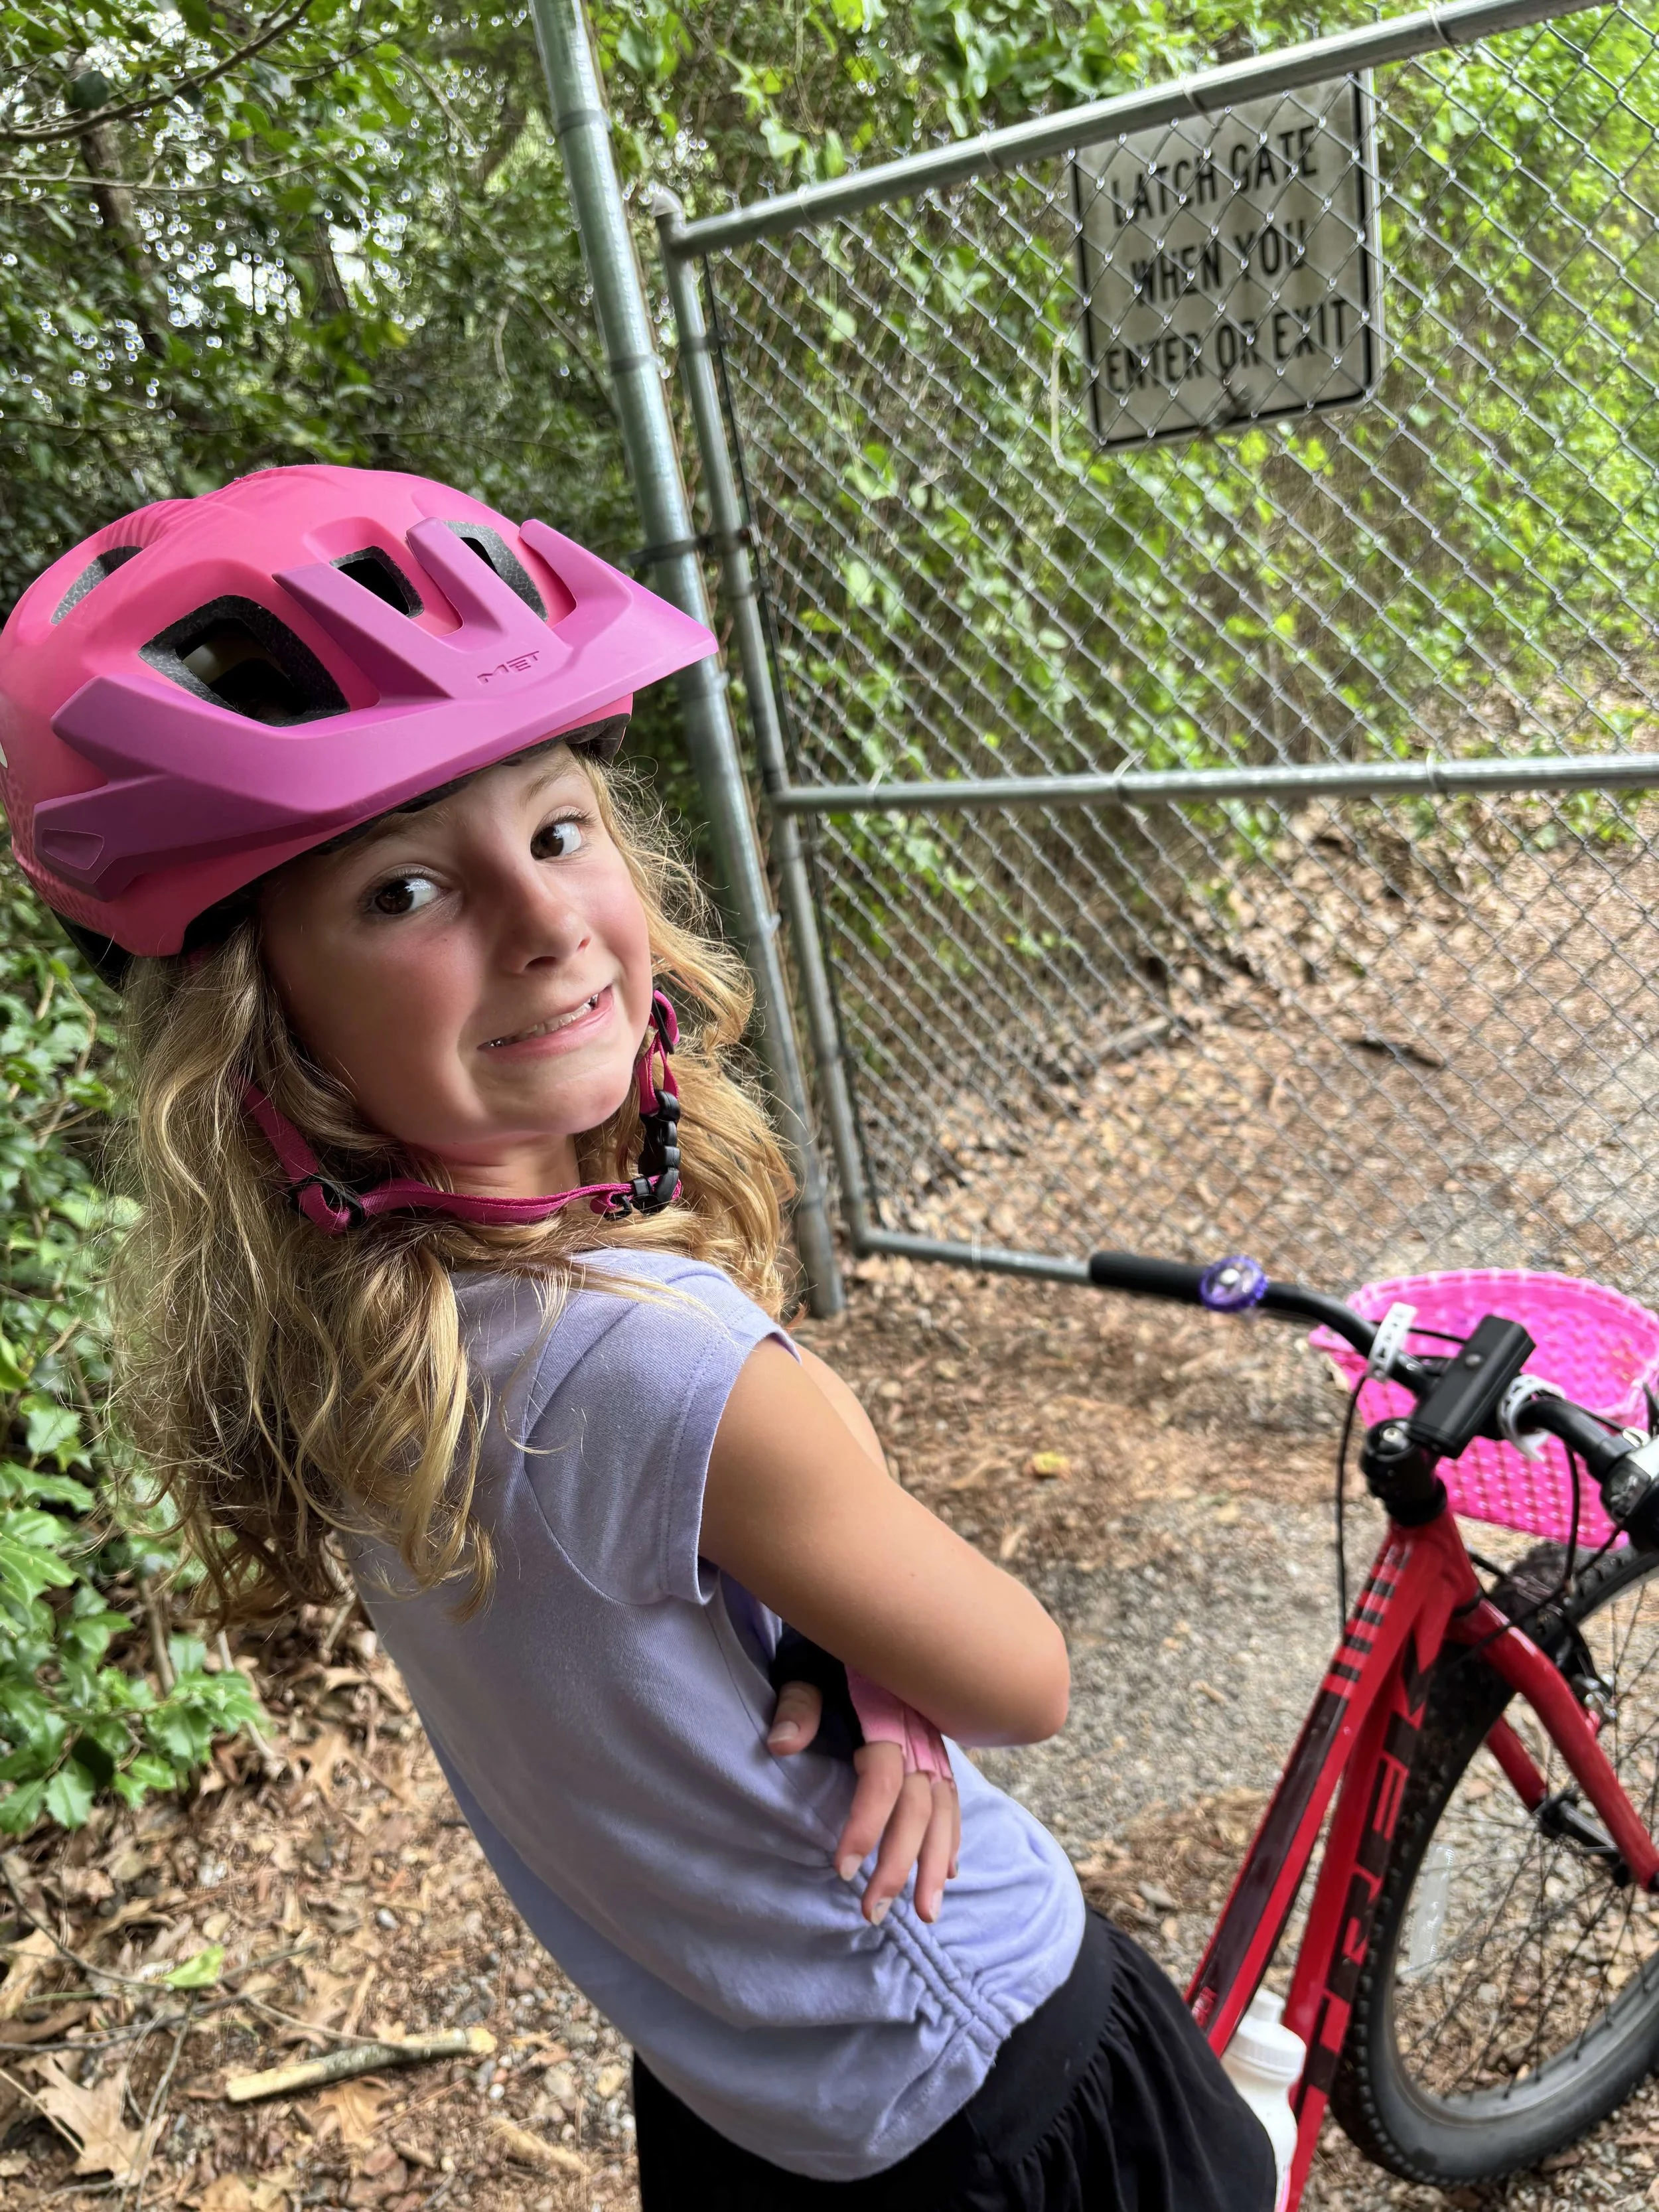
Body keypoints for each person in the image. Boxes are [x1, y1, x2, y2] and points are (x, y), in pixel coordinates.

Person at [0, 465, 1276, 2211]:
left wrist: (836, 1639)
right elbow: (1020, 1679)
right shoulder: (672, 1370)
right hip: (978, 2062)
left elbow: (646, 1626)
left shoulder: (360, 1350)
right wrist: (892, 1646)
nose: (537, 920)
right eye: (400, 891)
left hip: (737, 2089)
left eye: (553, 827)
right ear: (266, 1039)